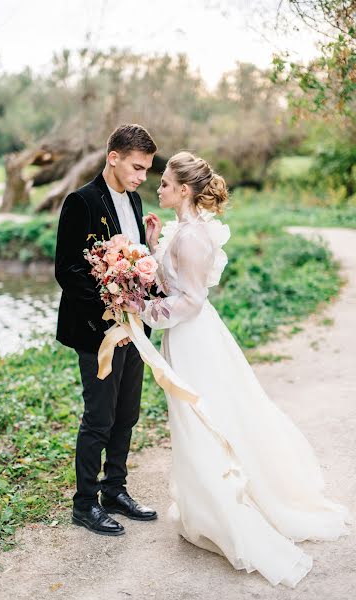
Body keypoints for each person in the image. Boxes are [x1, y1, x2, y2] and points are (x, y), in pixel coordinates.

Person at [127, 151, 350, 586]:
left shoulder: (193, 237)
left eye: (167, 183)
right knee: (195, 419)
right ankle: (202, 507)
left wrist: (143, 308)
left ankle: (223, 512)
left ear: (185, 190)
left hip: (193, 339)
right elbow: (175, 279)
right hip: (188, 338)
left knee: (204, 421)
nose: (160, 187)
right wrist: (154, 246)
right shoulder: (185, 230)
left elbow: (189, 301)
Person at [55, 124, 158, 536]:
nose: (142, 177)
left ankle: (115, 490)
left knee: (127, 414)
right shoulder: (80, 201)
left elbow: (134, 260)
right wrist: (109, 313)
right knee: (99, 417)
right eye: (137, 167)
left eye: (147, 170)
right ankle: (85, 504)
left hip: (135, 329)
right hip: (98, 330)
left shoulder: (132, 199)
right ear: (112, 157)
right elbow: (69, 270)